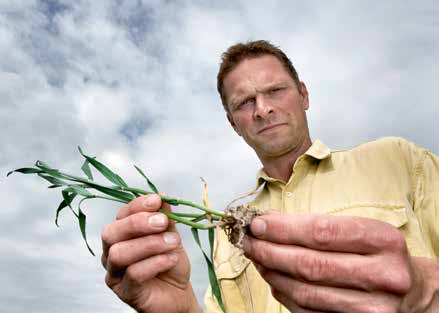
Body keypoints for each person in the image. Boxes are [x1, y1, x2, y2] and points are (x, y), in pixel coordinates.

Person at [101, 40, 439, 313]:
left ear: (304, 95)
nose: (263, 108)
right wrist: (180, 310)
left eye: (275, 91)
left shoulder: (398, 161)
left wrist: (424, 291)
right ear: (234, 124)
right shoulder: (227, 232)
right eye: (246, 102)